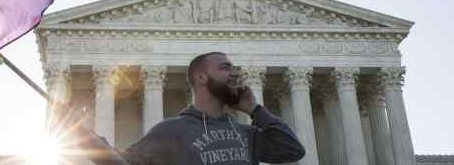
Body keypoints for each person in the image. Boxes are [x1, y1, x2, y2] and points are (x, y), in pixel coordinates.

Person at [55, 52, 305, 165]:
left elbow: (292, 150)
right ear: (201, 78)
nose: (234, 73)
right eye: (225, 67)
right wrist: (79, 131)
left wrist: (254, 109)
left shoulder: (246, 134)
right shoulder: (171, 131)